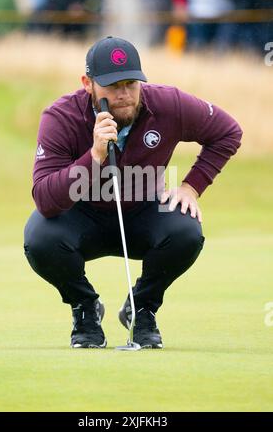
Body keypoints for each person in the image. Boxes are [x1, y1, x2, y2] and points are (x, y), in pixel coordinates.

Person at [24, 36, 243, 349]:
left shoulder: (169, 104)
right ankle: (85, 308)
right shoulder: (61, 117)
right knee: (39, 238)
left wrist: (192, 186)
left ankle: (141, 309)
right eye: (113, 86)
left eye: (131, 83)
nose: (124, 94)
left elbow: (228, 132)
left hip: (144, 210)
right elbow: (45, 199)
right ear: (88, 84)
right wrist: (94, 156)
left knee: (186, 230)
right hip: (82, 214)